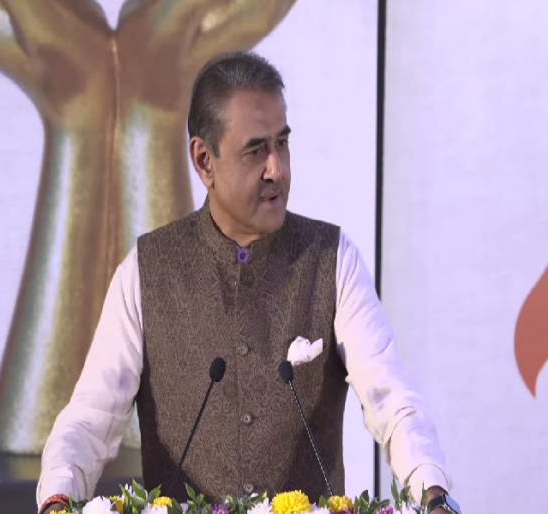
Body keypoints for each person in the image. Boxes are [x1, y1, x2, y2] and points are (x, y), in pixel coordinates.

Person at [36, 51, 459, 514]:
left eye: (283, 144)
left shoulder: (333, 259)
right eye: (256, 150)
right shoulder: (146, 272)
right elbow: (88, 421)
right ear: (204, 161)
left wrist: (433, 494)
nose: (277, 169)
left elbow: (392, 401)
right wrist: (57, 499)